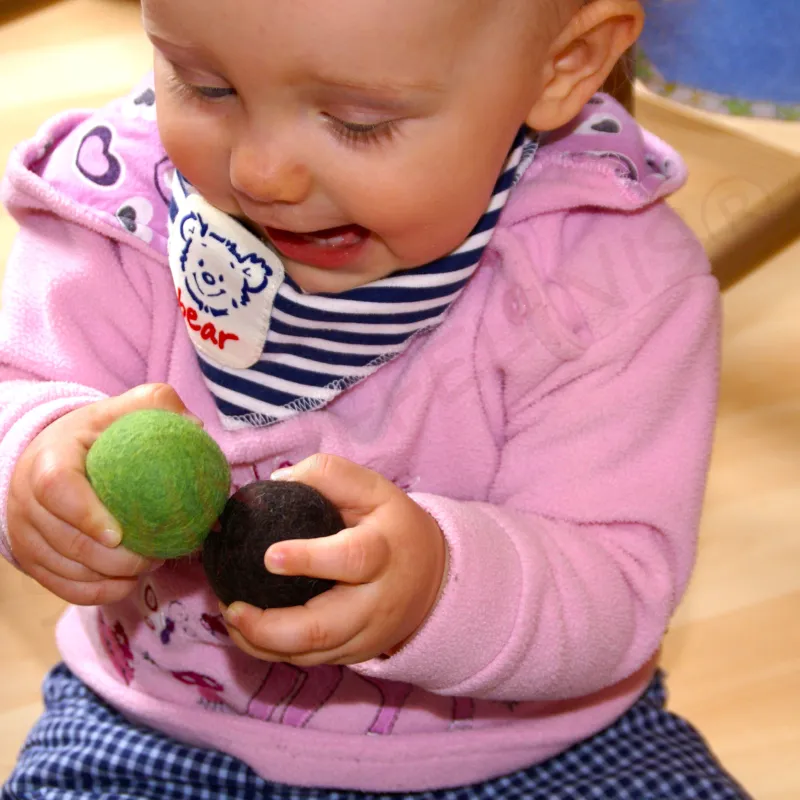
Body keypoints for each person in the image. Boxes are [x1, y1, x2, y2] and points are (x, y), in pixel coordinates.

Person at [0, 0, 751, 798]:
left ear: (565, 64)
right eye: (203, 84)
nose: (260, 172)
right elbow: (20, 389)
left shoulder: (604, 282)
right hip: (163, 724)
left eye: (357, 122)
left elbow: (617, 585)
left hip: (542, 748)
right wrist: (35, 458)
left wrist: (438, 588)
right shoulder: (122, 214)